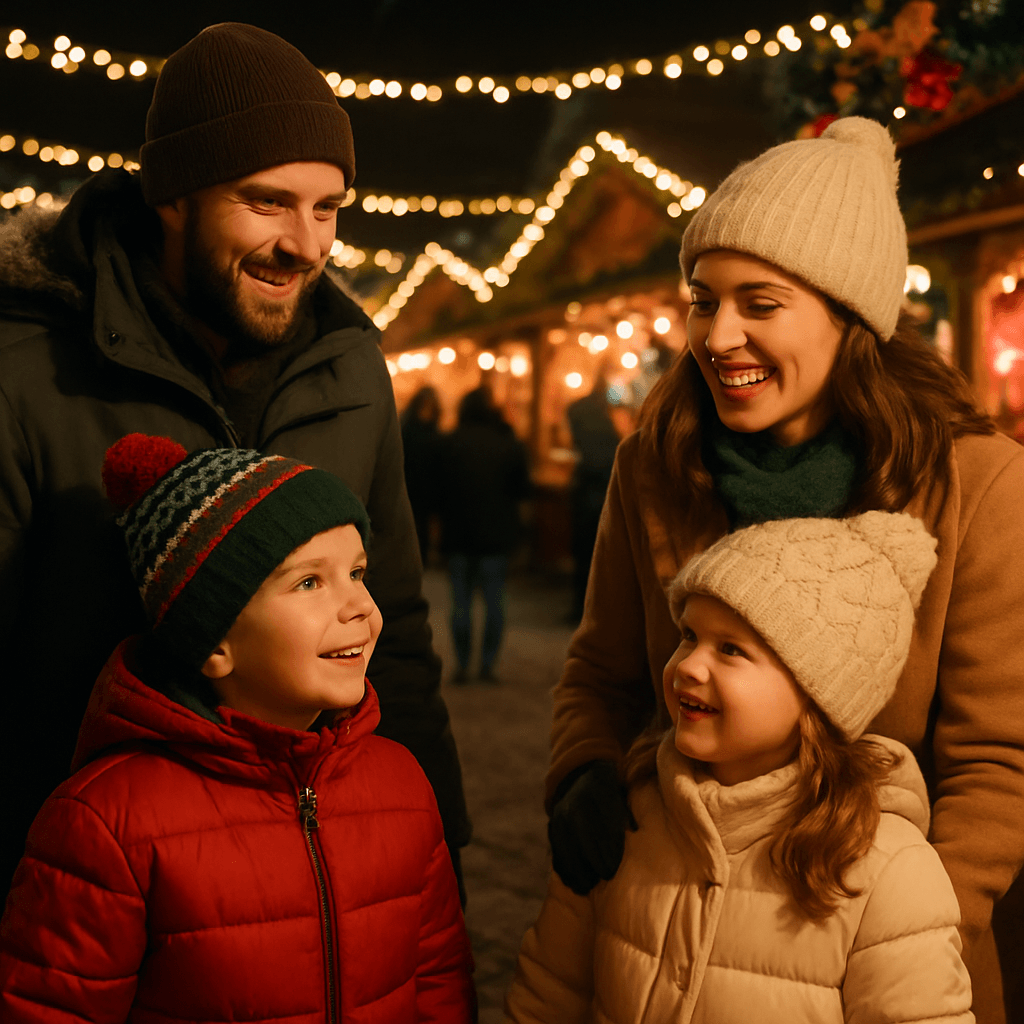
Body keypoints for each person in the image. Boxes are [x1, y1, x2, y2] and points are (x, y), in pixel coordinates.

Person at [544, 117, 1024, 1023]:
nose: (718, 335)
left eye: (760, 305)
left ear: (851, 317)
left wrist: (907, 932)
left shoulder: (979, 484)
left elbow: (997, 762)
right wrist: (583, 771)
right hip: (666, 941)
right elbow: (603, 672)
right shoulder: (655, 465)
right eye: (703, 300)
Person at [0, 22, 469, 898]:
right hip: (83, 890)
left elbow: (398, 631)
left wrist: (439, 859)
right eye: (268, 202)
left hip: (312, 893)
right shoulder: (27, 368)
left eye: (327, 207)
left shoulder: (351, 368)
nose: (307, 244)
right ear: (173, 195)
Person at [0, 434, 476, 1022]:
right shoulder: (105, 824)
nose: (359, 605)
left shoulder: (402, 784)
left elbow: (437, 979)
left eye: (357, 572)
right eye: (309, 582)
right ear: (213, 641)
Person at [508, 512, 974, 1022]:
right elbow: (548, 993)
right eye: (689, 635)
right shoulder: (627, 812)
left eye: (731, 649)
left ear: (818, 695)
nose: (688, 665)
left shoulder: (889, 870)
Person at [437, 386, 530, 682]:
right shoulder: (507, 444)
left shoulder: (449, 443)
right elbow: (522, 490)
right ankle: (488, 666)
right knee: (494, 603)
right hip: (495, 536)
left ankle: (463, 665)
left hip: (458, 535)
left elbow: (437, 491)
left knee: (461, 604)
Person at [566, 376, 620, 622]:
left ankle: (583, 608)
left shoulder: (588, 439)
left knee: (585, 558)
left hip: (589, 505)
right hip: (602, 505)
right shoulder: (609, 436)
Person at [401, 385, 443, 563]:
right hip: (411, 486)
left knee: (422, 527)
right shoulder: (408, 432)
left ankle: (421, 558)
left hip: (425, 488)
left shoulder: (433, 433)